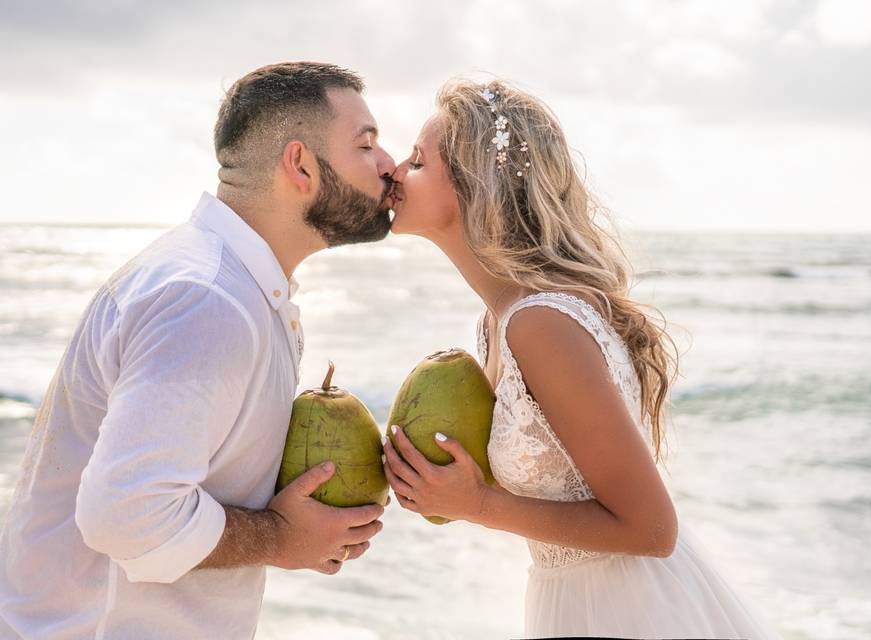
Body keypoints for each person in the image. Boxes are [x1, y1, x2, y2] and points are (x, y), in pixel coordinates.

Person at [0, 62, 395, 639]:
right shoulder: (207, 301)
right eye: (366, 145)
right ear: (301, 165)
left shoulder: (230, 287)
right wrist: (282, 538)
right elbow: (126, 515)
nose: (388, 164)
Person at [384, 78, 782, 639]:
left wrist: (476, 504)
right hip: (570, 598)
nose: (395, 172)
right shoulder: (498, 322)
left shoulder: (540, 323)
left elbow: (651, 527)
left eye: (418, 162)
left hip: (632, 610)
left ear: (477, 188)